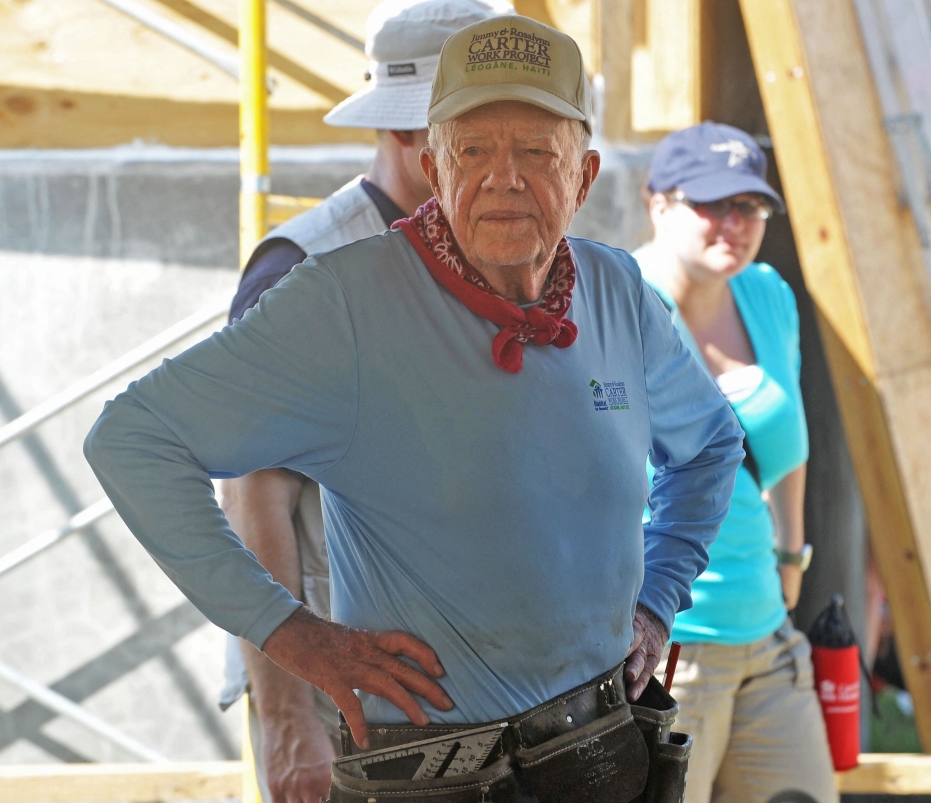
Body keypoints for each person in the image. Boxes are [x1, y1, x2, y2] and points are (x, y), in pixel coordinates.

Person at [85, 17, 744, 801]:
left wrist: (658, 597)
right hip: (435, 772)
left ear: (585, 174)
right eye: (473, 151)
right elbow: (133, 440)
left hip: (599, 752)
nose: (504, 177)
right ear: (433, 165)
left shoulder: (615, 291)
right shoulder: (343, 301)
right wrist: (294, 638)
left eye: (537, 152)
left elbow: (709, 447)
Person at [216, 2, 512, 801]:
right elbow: (251, 501)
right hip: (348, 697)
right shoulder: (308, 269)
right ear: (411, 134)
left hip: (478, 680)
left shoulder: (489, 254)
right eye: (478, 129)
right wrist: (285, 714)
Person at [634, 122, 838, 803]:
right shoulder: (613, 304)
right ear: (656, 202)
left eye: (749, 205)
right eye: (712, 203)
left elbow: (786, 442)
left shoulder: (767, 293)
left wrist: (790, 558)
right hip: (662, 652)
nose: (734, 222)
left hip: (767, 639)